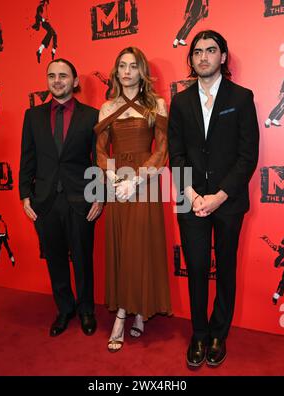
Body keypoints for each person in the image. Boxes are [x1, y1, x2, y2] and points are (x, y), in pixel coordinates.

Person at [168, 30, 259, 368]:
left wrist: (219, 196)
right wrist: (192, 194)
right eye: (197, 52)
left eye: (210, 50)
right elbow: (174, 155)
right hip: (190, 200)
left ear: (223, 56)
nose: (203, 56)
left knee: (226, 268)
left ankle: (220, 332)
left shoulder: (241, 98)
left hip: (228, 202)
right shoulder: (179, 101)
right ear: (190, 59)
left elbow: (247, 156)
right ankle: (200, 333)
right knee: (195, 270)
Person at [95, 46, 172, 352]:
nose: (126, 71)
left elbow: (162, 150)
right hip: (117, 185)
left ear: (142, 71)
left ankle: (128, 313)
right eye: (121, 66)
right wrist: (114, 179)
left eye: (133, 66)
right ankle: (131, 311)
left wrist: (137, 180)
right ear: (116, 72)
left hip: (146, 183)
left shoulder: (158, 105)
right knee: (122, 246)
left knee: (139, 246)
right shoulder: (106, 107)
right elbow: (101, 151)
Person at [19, 58, 102, 337]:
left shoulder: (92, 116)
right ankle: (65, 309)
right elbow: (27, 159)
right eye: (52, 75)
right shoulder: (33, 116)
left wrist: (98, 197)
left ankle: (86, 310)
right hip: (45, 201)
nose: (57, 80)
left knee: (82, 258)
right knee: (55, 259)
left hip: (80, 200)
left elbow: (98, 161)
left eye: (63, 76)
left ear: (75, 81)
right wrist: (24, 195)